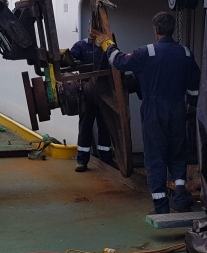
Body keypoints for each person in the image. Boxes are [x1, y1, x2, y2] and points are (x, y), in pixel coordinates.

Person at [93, 12, 200, 214]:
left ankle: (160, 206)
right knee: (177, 154)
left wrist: (107, 45)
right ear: (172, 29)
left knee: (155, 155)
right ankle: (179, 194)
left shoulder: (147, 52)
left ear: (155, 30)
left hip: (154, 111)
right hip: (178, 109)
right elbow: (194, 85)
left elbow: (119, 62)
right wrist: (192, 106)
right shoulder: (186, 53)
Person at [68, 35, 113, 172]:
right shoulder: (80, 46)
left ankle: (106, 158)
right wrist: (66, 58)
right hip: (85, 95)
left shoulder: (106, 46)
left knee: (105, 126)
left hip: (104, 95)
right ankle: (82, 161)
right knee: (85, 127)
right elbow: (68, 60)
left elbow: (115, 60)